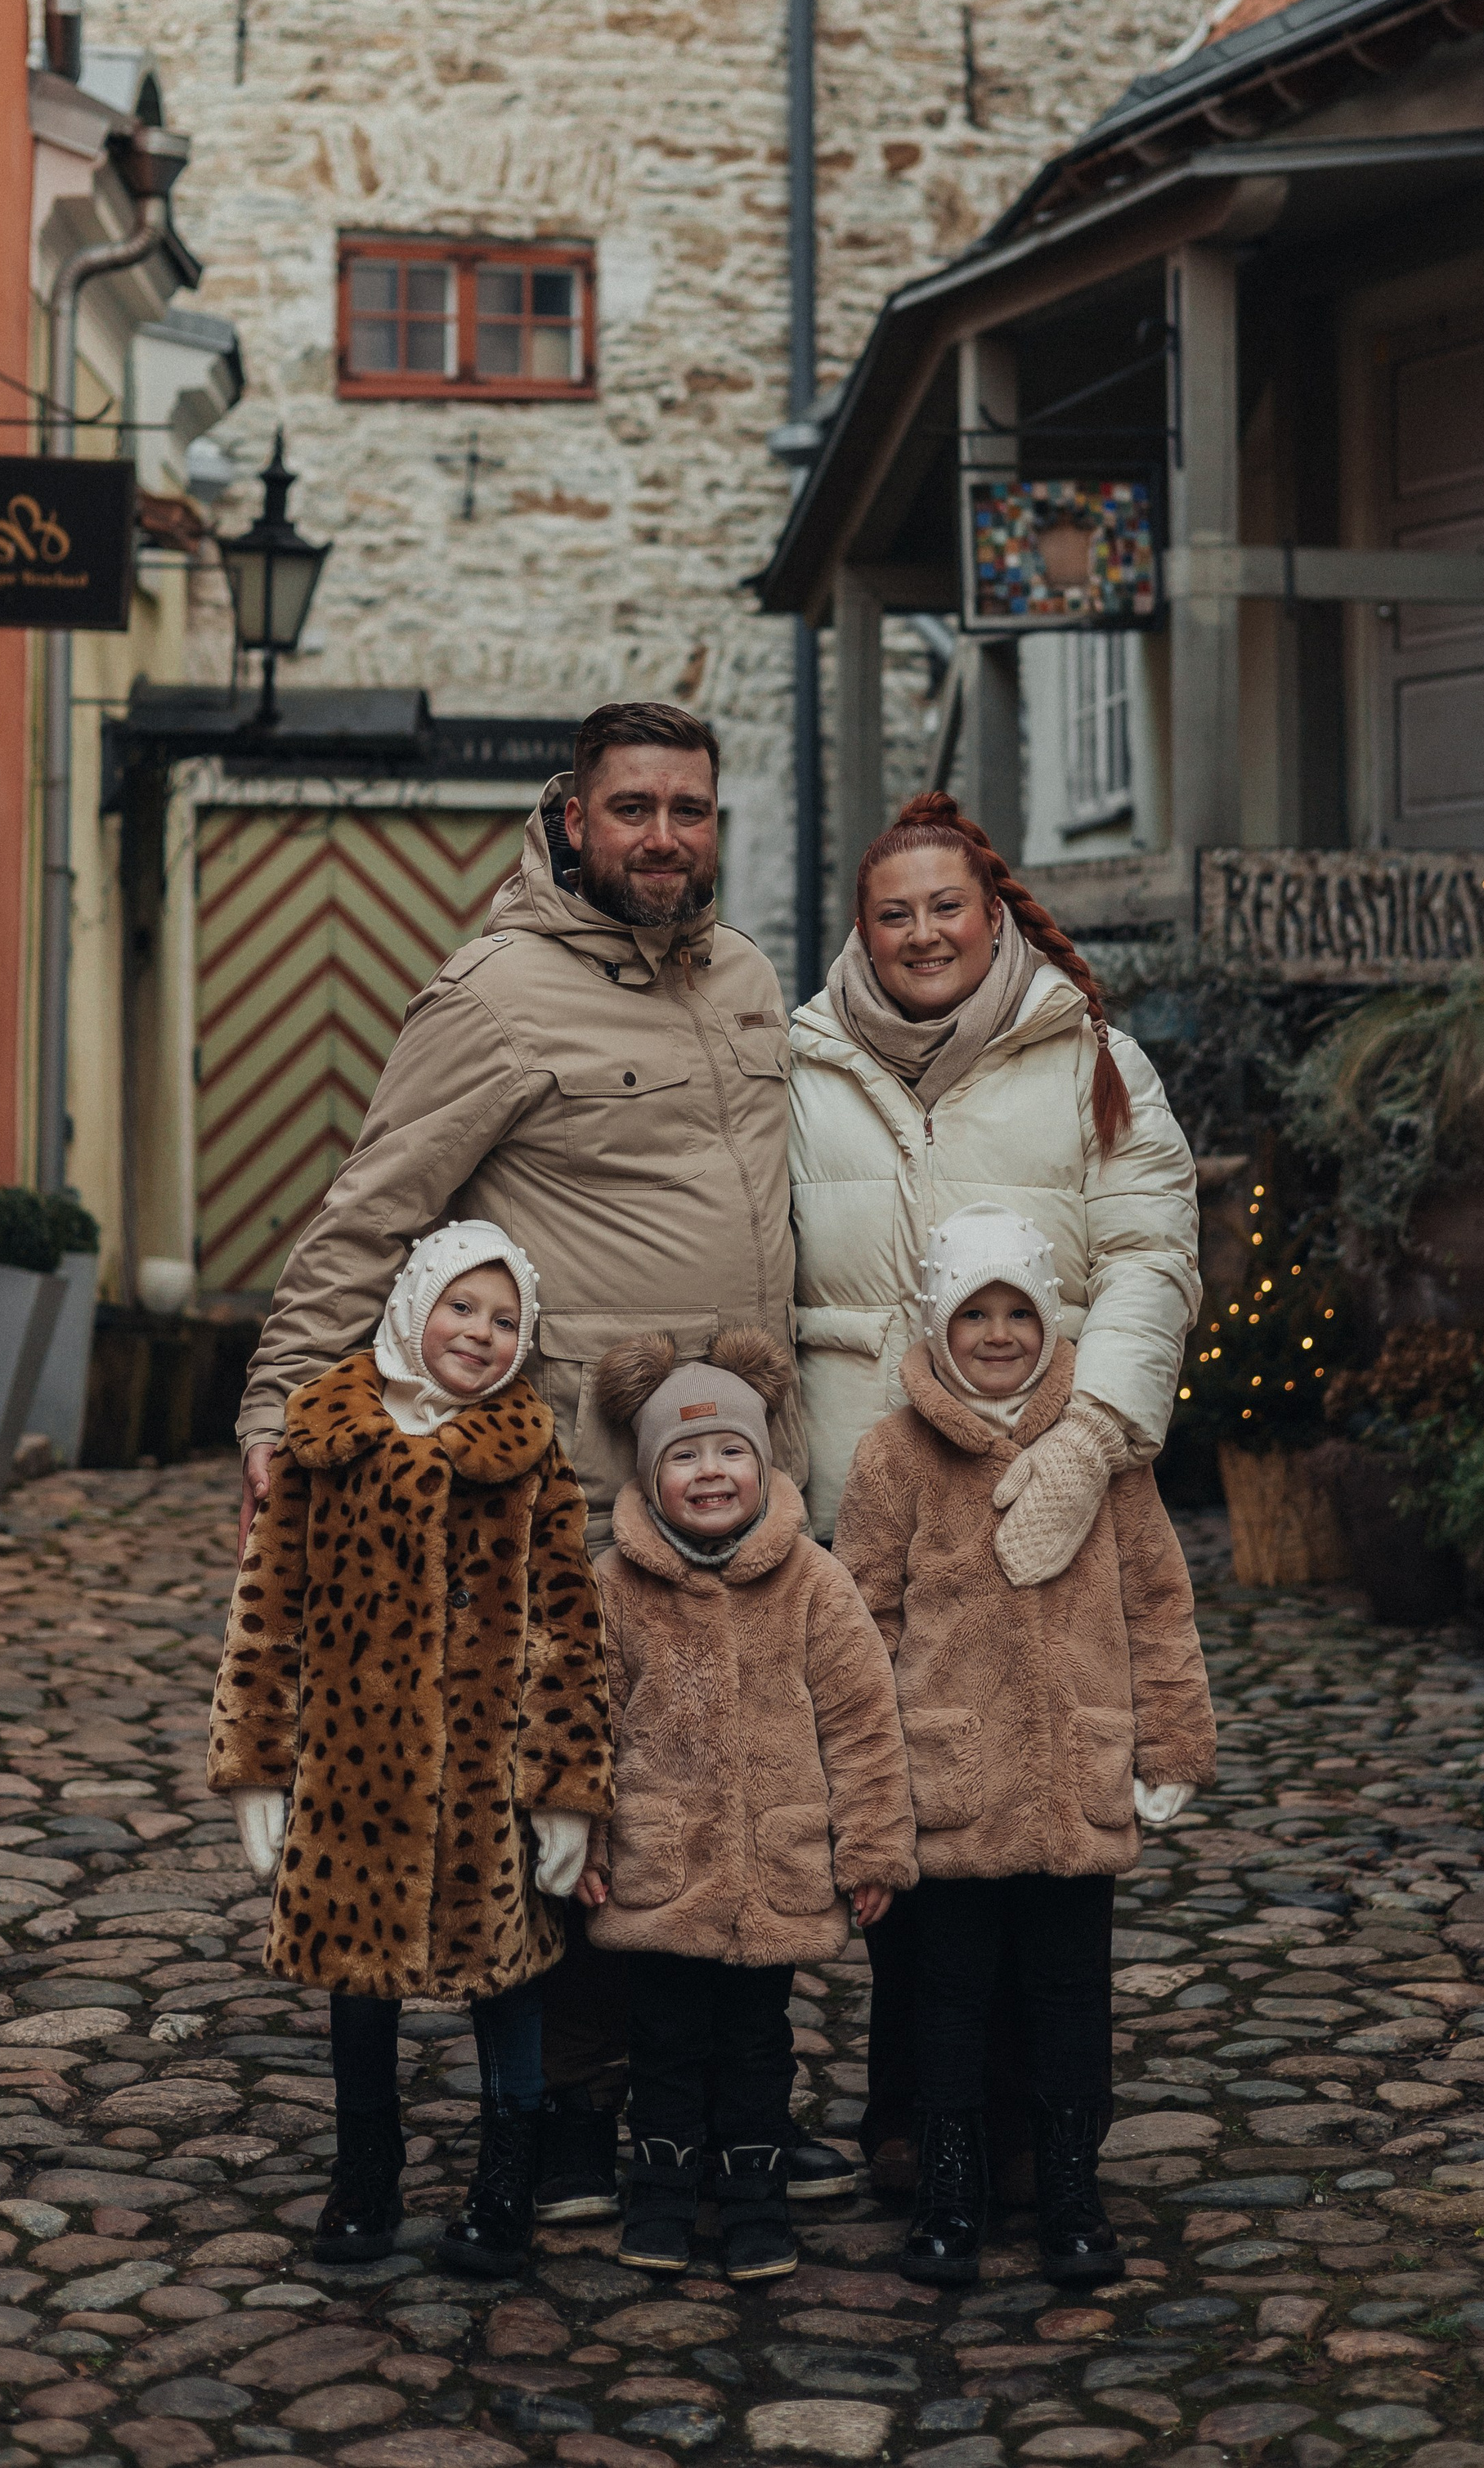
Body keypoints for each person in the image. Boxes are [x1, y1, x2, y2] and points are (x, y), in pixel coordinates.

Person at [229, 702, 841, 2217]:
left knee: (726, 1779)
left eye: (689, 809)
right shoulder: (495, 993)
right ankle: (570, 2112)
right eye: (632, 807)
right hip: (574, 1476)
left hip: (746, 1473)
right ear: (573, 817)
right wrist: (273, 1416)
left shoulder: (751, 980)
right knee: (582, 1790)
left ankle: (703, 2100)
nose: (663, 836)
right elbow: (371, 1214)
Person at [789, 788, 1202, 2193]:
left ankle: (1037, 2120)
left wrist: (1091, 1438)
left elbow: (1152, 1249)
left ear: (995, 910)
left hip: (1050, 1480)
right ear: (862, 926)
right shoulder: (801, 1062)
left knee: (1042, 1801)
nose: (921, 934)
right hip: (873, 1483)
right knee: (899, 1803)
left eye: (944, 907)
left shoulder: (1087, 1055)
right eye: (892, 912)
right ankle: (916, 2111)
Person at [207, 1223, 613, 2274]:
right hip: (351, 1765)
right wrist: (257, 1760)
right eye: (461, 1306)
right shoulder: (324, 1439)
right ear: (412, 1305)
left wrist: (565, 1790)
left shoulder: (526, 1454)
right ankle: (365, 2165)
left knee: (506, 1973)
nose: (480, 1332)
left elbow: (568, 1626)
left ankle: (505, 2171)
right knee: (359, 1975)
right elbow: (268, 1607)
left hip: (487, 1774)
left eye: (505, 1318)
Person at [836, 1203, 1216, 2287]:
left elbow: (1157, 1601)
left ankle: (1066, 2183)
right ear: (937, 1323)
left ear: (1051, 1323)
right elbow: (864, 1627)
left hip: (1072, 1778)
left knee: (1069, 1991)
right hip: (945, 1786)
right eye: (974, 1313)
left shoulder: (1105, 1457)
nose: (998, 1333)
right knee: (944, 1996)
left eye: (1019, 1311)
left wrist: (1171, 1742)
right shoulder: (894, 1456)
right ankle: (950, 2180)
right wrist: (869, 1780)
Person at [576, 1326, 917, 2281]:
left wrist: (874, 1850)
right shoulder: (614, 1586)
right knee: (665, 2045)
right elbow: (582, 1724)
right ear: (649, 1476)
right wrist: (586, 1838)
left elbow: (862, 1723)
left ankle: (757, 2199)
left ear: (765, 1460)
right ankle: (662, 2194)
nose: (712, 1471)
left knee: (760, 2043)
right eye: (684, 1456)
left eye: (731, 1450)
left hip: (776, 1864)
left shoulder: (816, 1582)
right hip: (660, 1866)